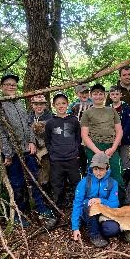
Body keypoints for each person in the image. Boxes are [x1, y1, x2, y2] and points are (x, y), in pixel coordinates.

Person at [0, 74, 54, 227]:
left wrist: (31, 142)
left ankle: (41, 208)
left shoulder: (20, 103)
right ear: (2, 87)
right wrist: (7, 153)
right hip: (12, 153)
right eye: (8, 84)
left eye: (13, 84)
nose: (11, 87)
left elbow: (28, 125)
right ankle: (19, 214)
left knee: (35, 178)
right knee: (17, 182)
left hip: (26, 150)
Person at [80, 83, 125, 203]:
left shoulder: (111, 111)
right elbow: (84, 135)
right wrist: (98, 152)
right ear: (91, 95)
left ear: (105, 95)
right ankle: (93, 203)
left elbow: (119, 131)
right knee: (96, 174)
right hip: (94, 147)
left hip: (111, 147)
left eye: (101, 94)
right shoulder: (87, 113)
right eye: (95, 94)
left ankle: (119, 202)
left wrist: (113, 148)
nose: (98, 96)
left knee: (115, 173)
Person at [45, 93, 81, 225]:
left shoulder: (74, 120)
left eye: (63, 103)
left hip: (72, 159)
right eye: (58, 104)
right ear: (54, 106)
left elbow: (78, 138)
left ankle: (78, 213)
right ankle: (56, 214)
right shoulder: (50, 123)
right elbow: (47, 141)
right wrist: (53, 153)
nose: (61, 106)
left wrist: (75, 151)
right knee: (57, 187)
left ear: (67, 104)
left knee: (76, 185)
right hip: (57, 161)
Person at [71, 153, 120, 247]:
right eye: (95, 169)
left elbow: (115, 204)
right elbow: (77, 204)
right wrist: (75, 228)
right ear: (91, 168)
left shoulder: (112, 183)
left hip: (103, 214)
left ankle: (96, 227)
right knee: (89, 203)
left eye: (101, 169)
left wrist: (101, 200)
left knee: (113, 230)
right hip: (87, 213)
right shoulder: (84, 182)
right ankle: (94, 235)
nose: (98, 172)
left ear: (107, 168)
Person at [108, 86, 130, 185]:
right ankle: (115, 182)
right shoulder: (107, 108)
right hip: (111, 140)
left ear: (121, 95)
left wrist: (120, 137)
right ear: (110, 96)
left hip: (124, 140)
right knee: (113, 161)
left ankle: (128, 183)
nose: (115, 96)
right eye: (113, 94)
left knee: (125, 161)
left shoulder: (126, 107)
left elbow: (129, 123)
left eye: (117, 94)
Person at [27, 94, 53, 190]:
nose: (39, 106)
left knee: (46, 169)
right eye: (36, 104)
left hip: (45, 149)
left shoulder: (50, 117)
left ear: (45, 105)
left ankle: (46, 187)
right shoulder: (29, 117)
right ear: (32, 105)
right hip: (32, 148)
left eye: (41, 104)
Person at [68, 84, 93, 175]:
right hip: (77, 133)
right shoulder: (74, 105)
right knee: (80, 153)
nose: (84, 94)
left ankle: (90, 173)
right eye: (82, 93)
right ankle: (82, 173)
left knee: (90, 153)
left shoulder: (92, 104)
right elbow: (68, 116)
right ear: (77, 93)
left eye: (86, 92)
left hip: (90, 133)